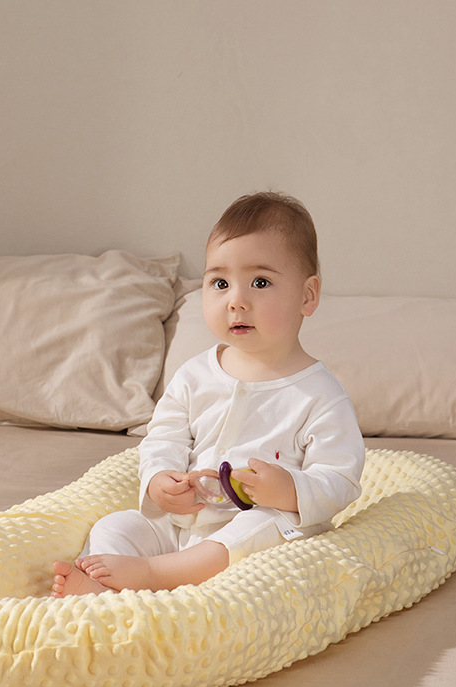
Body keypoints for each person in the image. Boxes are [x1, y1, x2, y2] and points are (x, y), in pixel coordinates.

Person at [51, 191, 365, 597]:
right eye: (220, 283)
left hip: (249, 534)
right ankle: (102, 587)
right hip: (185, 523)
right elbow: (164, 438)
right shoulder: (194, 375)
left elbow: (339, 478)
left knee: (263, 525)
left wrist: (290, 490)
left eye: (260, 282)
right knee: (115, 525)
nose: (236, 301)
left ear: (307, 296)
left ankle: (153, 576)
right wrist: (161, 481)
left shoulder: (320, 395)